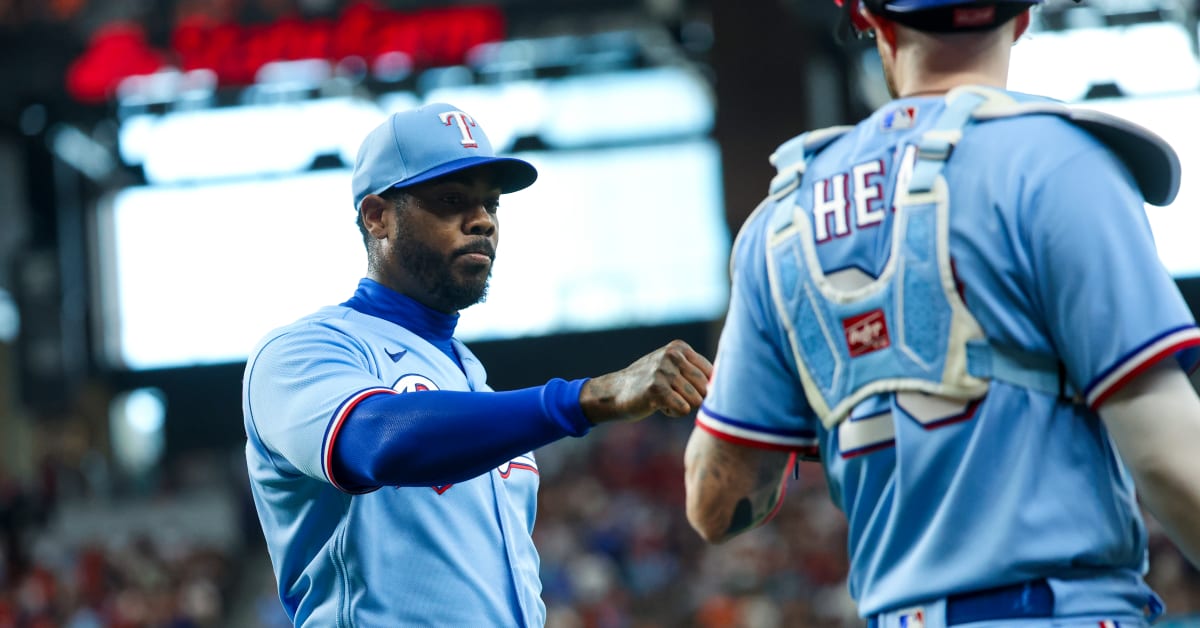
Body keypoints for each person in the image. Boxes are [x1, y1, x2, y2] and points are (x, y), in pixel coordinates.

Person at [683, 1, 1200, 626]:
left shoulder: (778, 221)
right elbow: (1169, 458)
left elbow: (715, 504)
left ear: (871, 19)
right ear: (1022, 18)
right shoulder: (1060, 161)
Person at [242, 102, 713, 627]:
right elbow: (378, 442)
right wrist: (585, 398)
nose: (482, 220)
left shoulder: (472, 385)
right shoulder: (303, 351)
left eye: (491, 203)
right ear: (376, 216)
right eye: (451, 201)